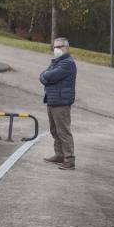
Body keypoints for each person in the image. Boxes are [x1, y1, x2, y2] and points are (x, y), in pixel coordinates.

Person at [40, 37, 77, 170]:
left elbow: (48, 76)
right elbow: (42, 75)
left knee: (63, 131)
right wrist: (46, 76)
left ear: (66, 48)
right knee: (54, 130)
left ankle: (69, 159)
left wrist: (46, 76)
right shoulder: (56, 62)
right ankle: (60, 155)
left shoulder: (67, 63)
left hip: (61, 101)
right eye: (54, 47)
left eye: (59, 46)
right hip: (52, 100)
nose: (56, 49)